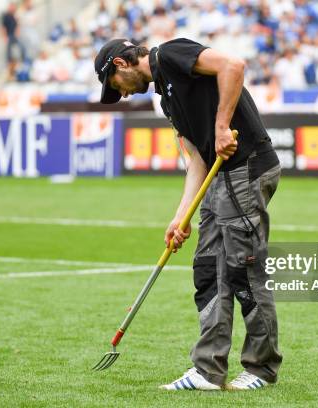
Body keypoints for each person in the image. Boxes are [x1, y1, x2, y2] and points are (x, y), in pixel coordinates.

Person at [94, 38, 282, 390]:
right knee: (208, 269)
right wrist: (181, 217)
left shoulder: (169, 54)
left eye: (114, 86)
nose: (121, 95)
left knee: (243, 270)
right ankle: (208, 371)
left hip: (247, 168)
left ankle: (261, 369)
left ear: (121, 64)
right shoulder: (167, 99)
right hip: (219, 177)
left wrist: (223, 126)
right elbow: (196, 161)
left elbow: (233, 66)